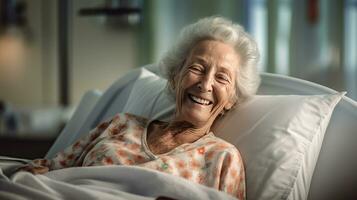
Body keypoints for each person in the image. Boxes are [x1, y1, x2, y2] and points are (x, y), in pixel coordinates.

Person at [20, 16, 260, 199]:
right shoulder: (121, 124)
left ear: (231, 99)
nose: (205, 84)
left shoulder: (222, 158)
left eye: (222, 78)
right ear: (176, 76)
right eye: (197, 68)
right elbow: (48, 169)